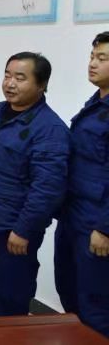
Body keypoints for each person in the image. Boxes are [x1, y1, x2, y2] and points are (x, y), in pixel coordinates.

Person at [0, 52, 69, 317]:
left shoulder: (50, 129)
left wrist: (24, 230)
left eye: (20, 78)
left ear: (41, 85)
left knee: (7, 305)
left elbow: (47, 188)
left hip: (10, 233)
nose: (10, 83)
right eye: (7, 75)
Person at [55, 32, 109, 338]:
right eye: (92, 56)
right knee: (70, 290)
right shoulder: (95, 103)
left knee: (95, 304)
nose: (92, 63)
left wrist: (105, 228)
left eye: (102, 58)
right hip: (74, 214)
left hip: (97, 222)